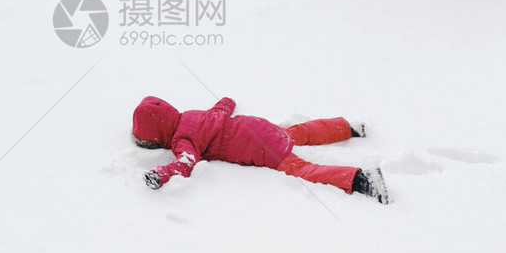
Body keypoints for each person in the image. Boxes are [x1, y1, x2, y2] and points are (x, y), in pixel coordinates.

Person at [132, 96, 389, 204]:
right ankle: (347, 127)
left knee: (301, 169)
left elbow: (185, 163)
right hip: (258, 127)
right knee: (298, 133)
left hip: (260, 149)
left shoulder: (183, 139)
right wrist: (227, 101)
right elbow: (218, 111)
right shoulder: (191, 115)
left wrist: (161, 174)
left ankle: (361, 179)